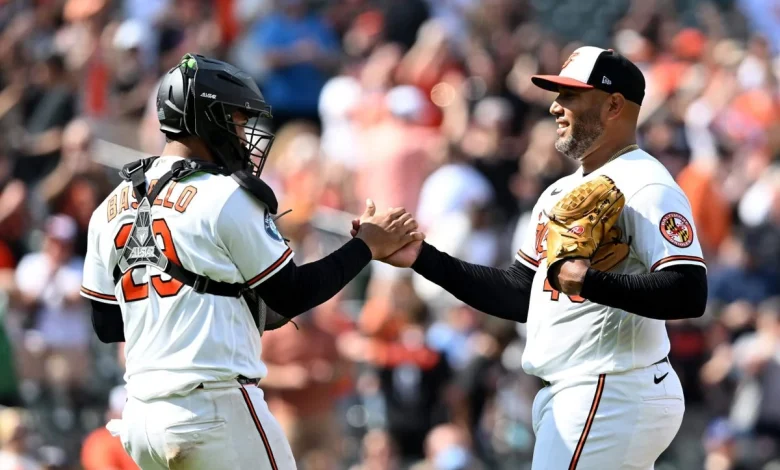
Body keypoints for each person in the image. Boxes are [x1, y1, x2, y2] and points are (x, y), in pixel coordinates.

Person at [354, 47, 709, 469]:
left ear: (614, 105)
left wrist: (591, 282)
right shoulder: (560, 192)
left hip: (609, 386)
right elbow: (520, 294)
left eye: (572, 96)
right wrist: (422, 258)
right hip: (585, 390)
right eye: (558, 94)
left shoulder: (646, 185)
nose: (556, 107)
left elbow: (689, 292)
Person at [79, 53, 423, 470]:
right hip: (215, 409)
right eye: (238, 120)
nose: (245, 135)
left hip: (141, 418)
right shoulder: (223, 194)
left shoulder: (109, 207)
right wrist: (367, 245)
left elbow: (107, 324)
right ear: (210, 118)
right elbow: (292, 293)